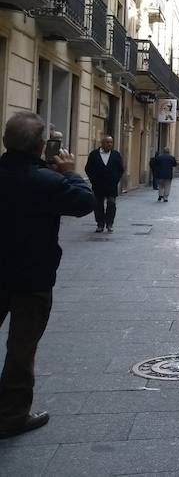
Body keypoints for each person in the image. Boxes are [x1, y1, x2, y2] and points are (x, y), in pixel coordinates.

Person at [0, 112, 94, 438]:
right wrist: (70, 173)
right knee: (21, 349)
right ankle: (12, 416)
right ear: (42, 146)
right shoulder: (48, 182)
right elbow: (84, 203)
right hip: (32, 279)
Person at [85, 136, 124, 234]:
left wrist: (116, 180)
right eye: (107, 142)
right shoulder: (94, 154)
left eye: (111, 142)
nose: (109, 144)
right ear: (102, 143)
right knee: (98, 205)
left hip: (111, 186)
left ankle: (109, 223)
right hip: (98, 185)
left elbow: (121, 169)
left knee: (111, 204)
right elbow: (88, 169)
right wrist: (93, 180)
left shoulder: (116, 155)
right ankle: (100, 224)